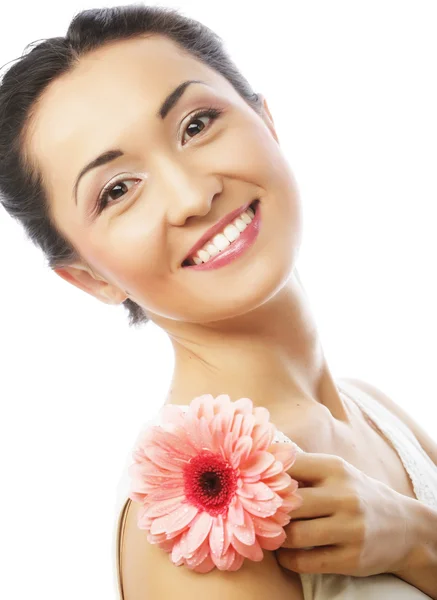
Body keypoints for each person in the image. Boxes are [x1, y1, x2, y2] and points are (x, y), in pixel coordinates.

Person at [1, 5, 436, 599]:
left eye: (197, 124)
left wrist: (417, 539)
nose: (192, 195)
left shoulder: (377, 413)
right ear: (90, 279)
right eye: (118, 190)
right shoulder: (199, 516)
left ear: (266, 119)